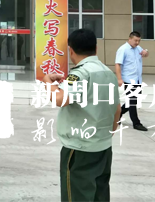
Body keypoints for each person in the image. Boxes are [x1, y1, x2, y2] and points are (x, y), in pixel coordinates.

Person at [42, 29, 121, 202]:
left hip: (79, 149)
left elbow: (61, 99)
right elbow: (117, 108)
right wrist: (109, 133)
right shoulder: (108, 73)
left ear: (70, 50)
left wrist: (47, 82)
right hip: (103, 147)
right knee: (99, 194)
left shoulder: (80, 73)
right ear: (96, 48)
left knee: (77, 195)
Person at [115, 31, 149, 131]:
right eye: (135, 40)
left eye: (139, 41)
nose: (137, 42)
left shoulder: (138, 48)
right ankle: (136, 123)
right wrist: (119, 78)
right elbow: (117, 64)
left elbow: (145, 53)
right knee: (132, 102)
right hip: (128, 79)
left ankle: (117, 115)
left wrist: (146, 52)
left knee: (133, 100)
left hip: (137, 79)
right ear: (130, 39)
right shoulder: (123, 49)